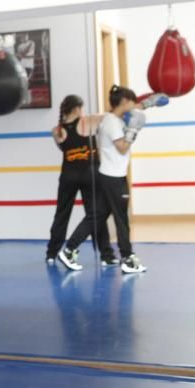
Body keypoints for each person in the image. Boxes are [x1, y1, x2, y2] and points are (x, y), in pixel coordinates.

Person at [61, 86, 148, 274]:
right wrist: (134, 130)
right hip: (113, 178)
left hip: (108, 175)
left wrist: (150, 103)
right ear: (124, 102)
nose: (134, 106)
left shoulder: (114, 119)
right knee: (121, 219)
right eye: (131, 102)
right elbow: (122, 148)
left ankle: (69, 250)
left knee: (97, 216)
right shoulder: (112, 123)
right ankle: (127, 258)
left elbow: (135, 109)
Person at [46, 94, 113, 270]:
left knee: (61, 214)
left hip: (68, 176)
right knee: (96, 215)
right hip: (89, 175)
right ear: (77, 109)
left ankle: (51, 254)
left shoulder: (56, 130)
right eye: (81, 108)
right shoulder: (87, 122)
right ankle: (106, 255)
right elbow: (110, 115)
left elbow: (63, 149)